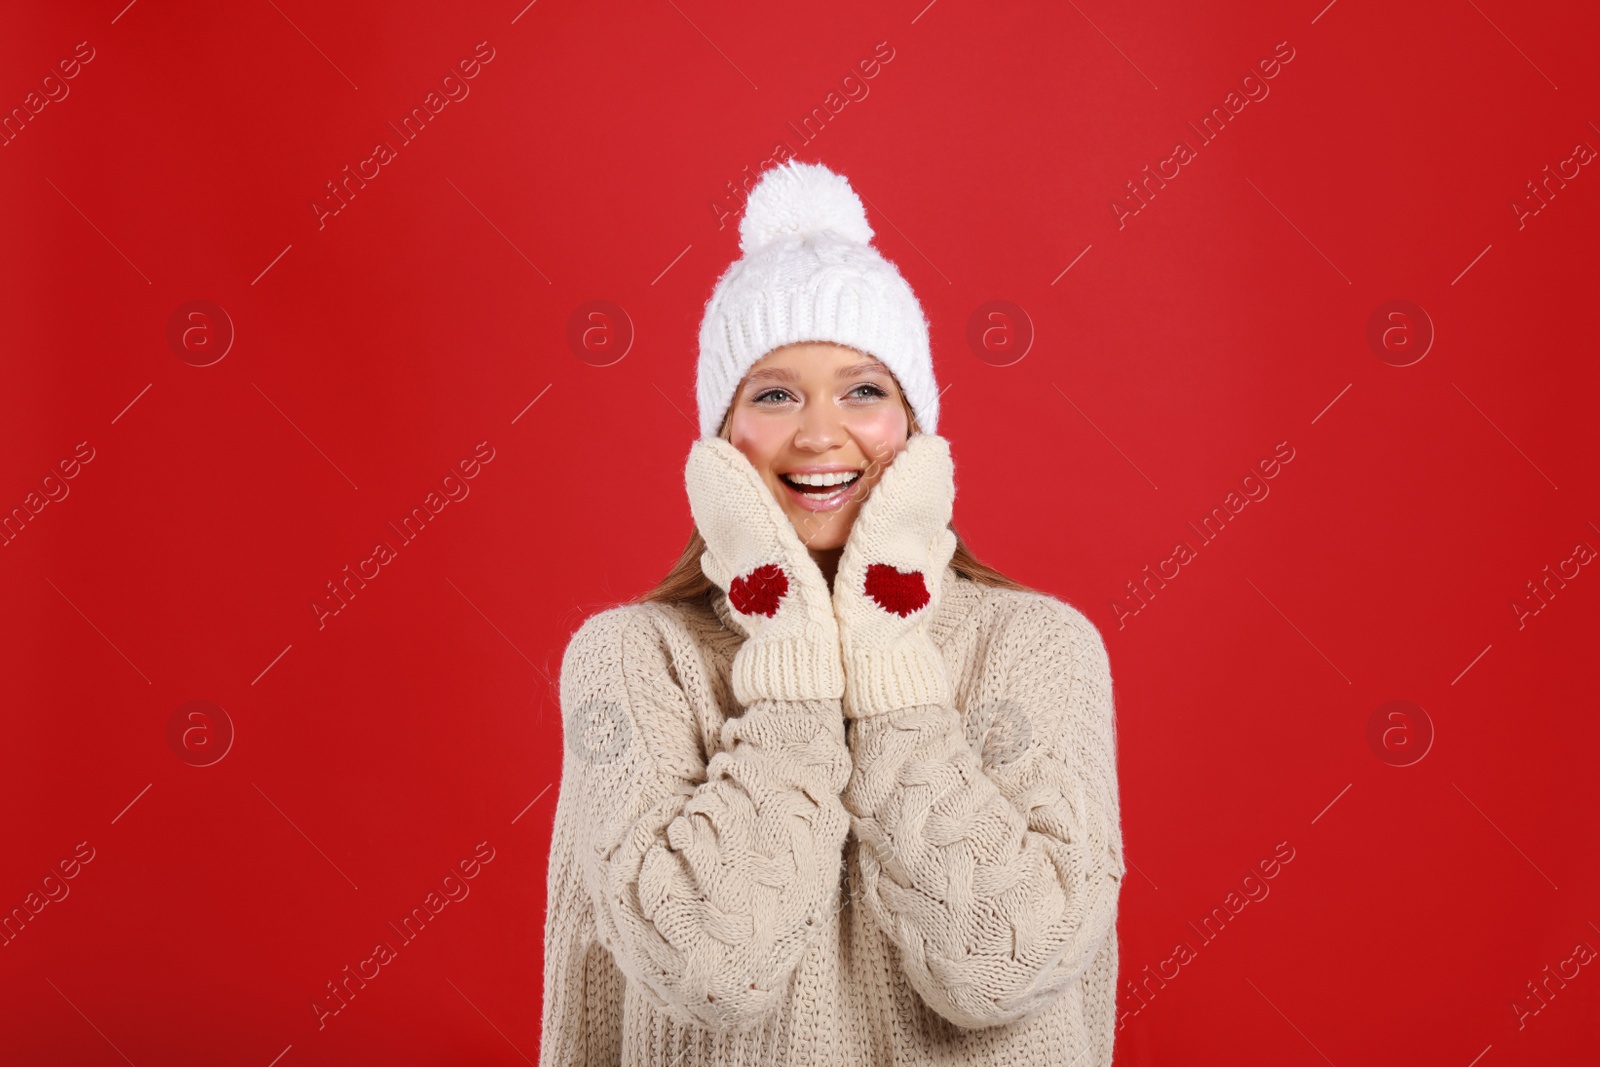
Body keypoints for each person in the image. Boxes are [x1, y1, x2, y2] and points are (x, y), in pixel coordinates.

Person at [540, 159, 1125, 1066]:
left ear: (916, 427)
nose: (820, 433)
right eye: (774, 394)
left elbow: (1008, 964)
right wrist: (790, 670)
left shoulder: (1042, 649)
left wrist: (889, 665)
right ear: (721, 437)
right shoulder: (628, 661)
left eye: (865, 390)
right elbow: (712, 968)